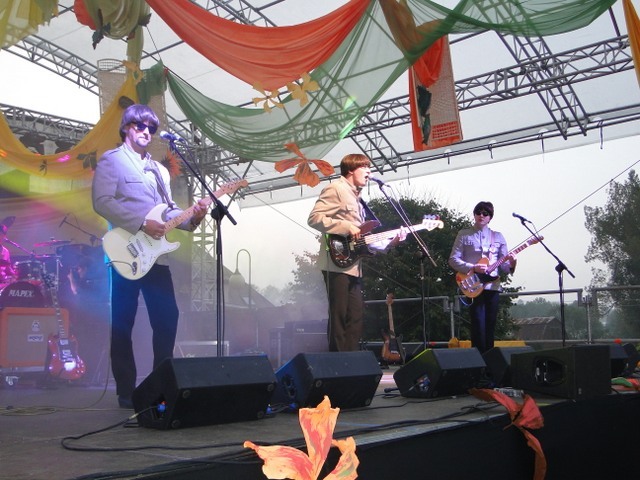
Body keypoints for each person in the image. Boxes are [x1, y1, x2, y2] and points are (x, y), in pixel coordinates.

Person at [92, 104, 208, 409]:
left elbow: (168, 211)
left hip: (156, 257)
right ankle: (126, 391)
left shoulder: (159, 170)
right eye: (140, 126)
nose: (147, 132)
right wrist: (142, 223)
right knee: (123, 323)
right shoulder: (112, 160)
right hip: (125, 251)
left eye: (151, 128)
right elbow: (101, 201)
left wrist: (193, 218)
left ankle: (159, 386)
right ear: (126, 127)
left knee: (167, 318)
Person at [308, 153, 405, 352]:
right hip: (335, 262)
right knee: (339, 315)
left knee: (356, 316)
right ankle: (337, 362)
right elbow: (314, 218)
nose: (369, 172)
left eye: (370, 168)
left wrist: (391, 242)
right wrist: (346, 226)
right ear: (351, 170)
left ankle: (350, 359)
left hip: (353, 265)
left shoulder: (358, 198)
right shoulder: (336, 188)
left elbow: (362, 240)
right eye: (365, 168)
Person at [448, 201, 516, 354]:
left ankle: (489, 363)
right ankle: (479, 362)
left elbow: (505, 267)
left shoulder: (498, 236)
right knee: (478, 325)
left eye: (485, 213)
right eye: (478, 212)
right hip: (473, 285)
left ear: (490, 217)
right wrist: (473, 267)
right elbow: (453, 259)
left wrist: (512, 262)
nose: (481, 215)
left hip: (493, 286)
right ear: (474, 214)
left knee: (490, 326)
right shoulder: (464, 234)